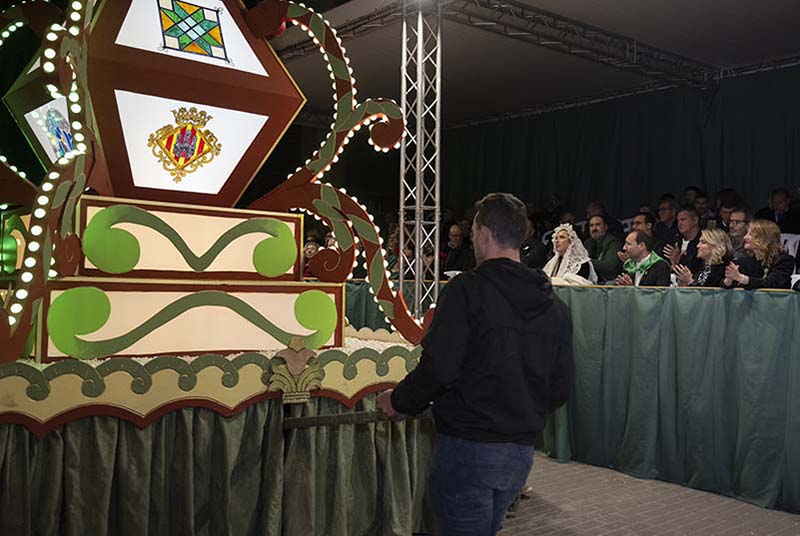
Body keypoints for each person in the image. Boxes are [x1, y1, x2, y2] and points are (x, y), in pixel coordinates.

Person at [377, 192, 575, 536]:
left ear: (483, 234)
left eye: (471, 234)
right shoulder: (556, 307)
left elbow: (439, 368)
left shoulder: (466, 290)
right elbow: (559, 389)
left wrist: (399, 401)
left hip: (468, 446)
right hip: (519, 454)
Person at [723, 220, 794, 289]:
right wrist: (729, 280)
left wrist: (741, 278)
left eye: (751, 234)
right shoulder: (745, 260)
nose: (745, 237)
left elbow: (771, 283)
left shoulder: (784, 261)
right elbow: (727, 283)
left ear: (764, 238)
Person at [582, 214, 622, 283]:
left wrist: (586, 261)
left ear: (605, 227)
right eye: (591, 225)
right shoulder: (588, 243)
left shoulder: (613, 242)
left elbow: (609, 266)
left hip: (609, 281)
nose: (594, 228)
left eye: (597, 225)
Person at [663, 206, 703, 273]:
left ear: (695, 220)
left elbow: (699, 270)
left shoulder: (704, 242)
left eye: (683, 220)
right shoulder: (675, 242)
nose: (679, 224)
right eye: (678, 221)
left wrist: (679, 260)